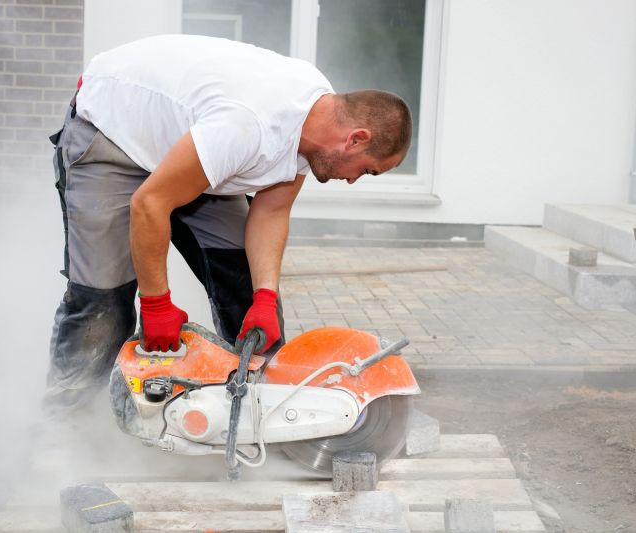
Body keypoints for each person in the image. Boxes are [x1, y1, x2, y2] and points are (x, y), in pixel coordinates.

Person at [45, 34, 412, 412]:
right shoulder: (249, 125)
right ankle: (68, 430)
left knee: (246, 286)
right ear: (356, 139)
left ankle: (260, 412)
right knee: (102, 302)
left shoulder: (317, 127)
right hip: (113, 134)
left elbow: (271, 211)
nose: (354, 180)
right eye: (366, 170)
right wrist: (156, 305)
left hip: (197, 147)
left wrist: (265, 298)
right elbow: (150, 203)